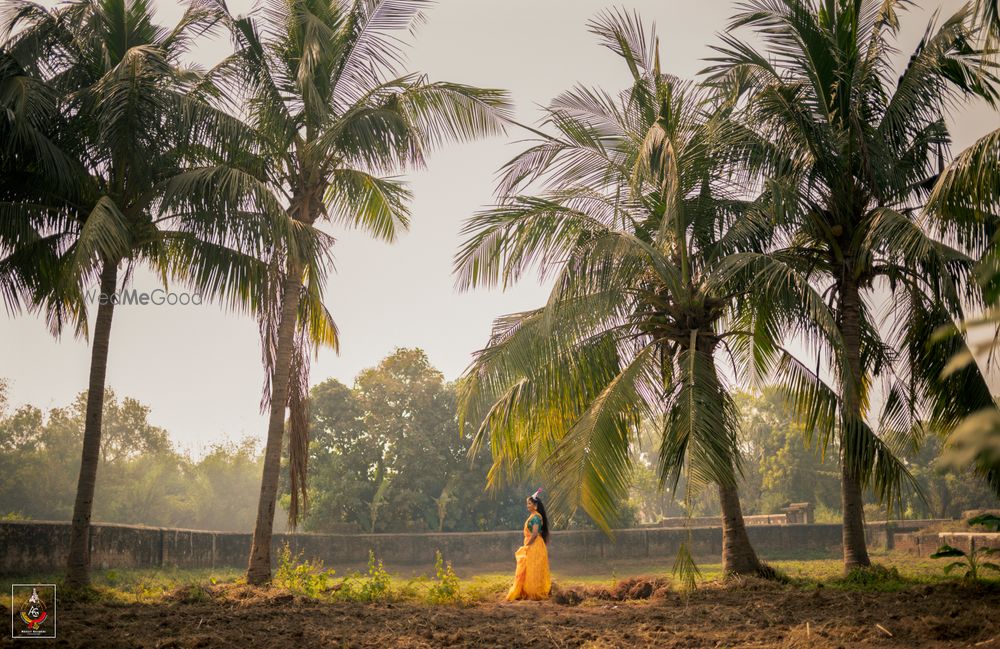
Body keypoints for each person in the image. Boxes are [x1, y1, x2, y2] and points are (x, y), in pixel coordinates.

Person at [506, 488, 551, 601]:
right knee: (529, 568)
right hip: (533, 545)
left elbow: (535, 534)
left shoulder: (536, 517)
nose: (527, 505)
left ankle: (534, 592)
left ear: (535, 505)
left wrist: (527, 545)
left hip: (535, 546)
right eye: (527, 503)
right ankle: (527, 591)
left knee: (534, 569)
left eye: (529, 503)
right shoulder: (533, 516)